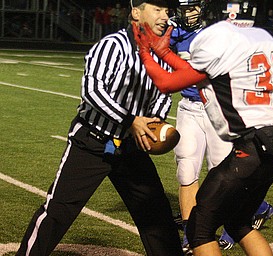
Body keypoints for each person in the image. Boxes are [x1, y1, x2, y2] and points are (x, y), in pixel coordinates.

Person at [15, 0, 184, 255]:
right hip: (93, 142)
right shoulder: (112, 45)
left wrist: (154, 122)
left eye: (167, 11)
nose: (164, 17)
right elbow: (93, 91)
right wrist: (130, 120)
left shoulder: (164, 53)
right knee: (58, 212)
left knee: (157, 216)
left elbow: (164, 94)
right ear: (136, 13)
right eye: (157, 10)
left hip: (131, 146)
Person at [132, 0, 273, 255]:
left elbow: (167, 83)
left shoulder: (219, 39)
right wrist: (164, 54)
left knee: (198, 228)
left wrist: (146, 51)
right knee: (239, 222)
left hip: (250, 147)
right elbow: (197, 72)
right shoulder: (262, 38)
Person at [170, 0, 273, 253]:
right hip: (189, 107)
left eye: (193, 7)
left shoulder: (220, 31)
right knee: (187, 170)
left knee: (222, 173)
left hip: (218, 111)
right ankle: (191, 232)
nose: (189, 13)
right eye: (184, 8)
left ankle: (241, 219)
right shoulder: (173, 30)